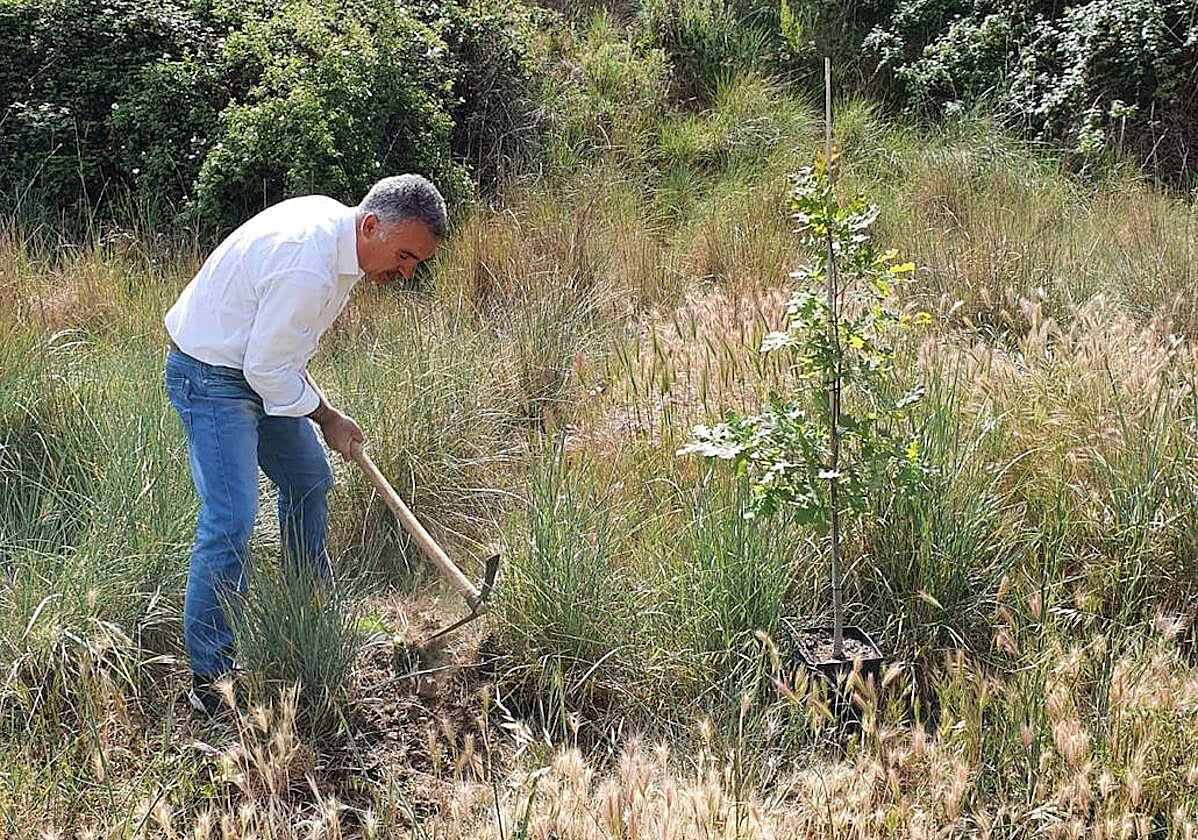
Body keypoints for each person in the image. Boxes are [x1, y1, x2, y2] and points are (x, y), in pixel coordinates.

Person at [164, 174, 447, 716]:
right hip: (208, 374)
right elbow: (267, 369)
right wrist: (327, 416)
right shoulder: (309, 267)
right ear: (370, 226)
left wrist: (328, 417)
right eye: (406, 255)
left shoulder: (341, 242)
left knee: (309, 479)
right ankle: (210, 681)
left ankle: (309, 608)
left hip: (253, 368)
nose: (408, 271)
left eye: (418, 263)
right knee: (231, 522)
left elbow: (277, 359)